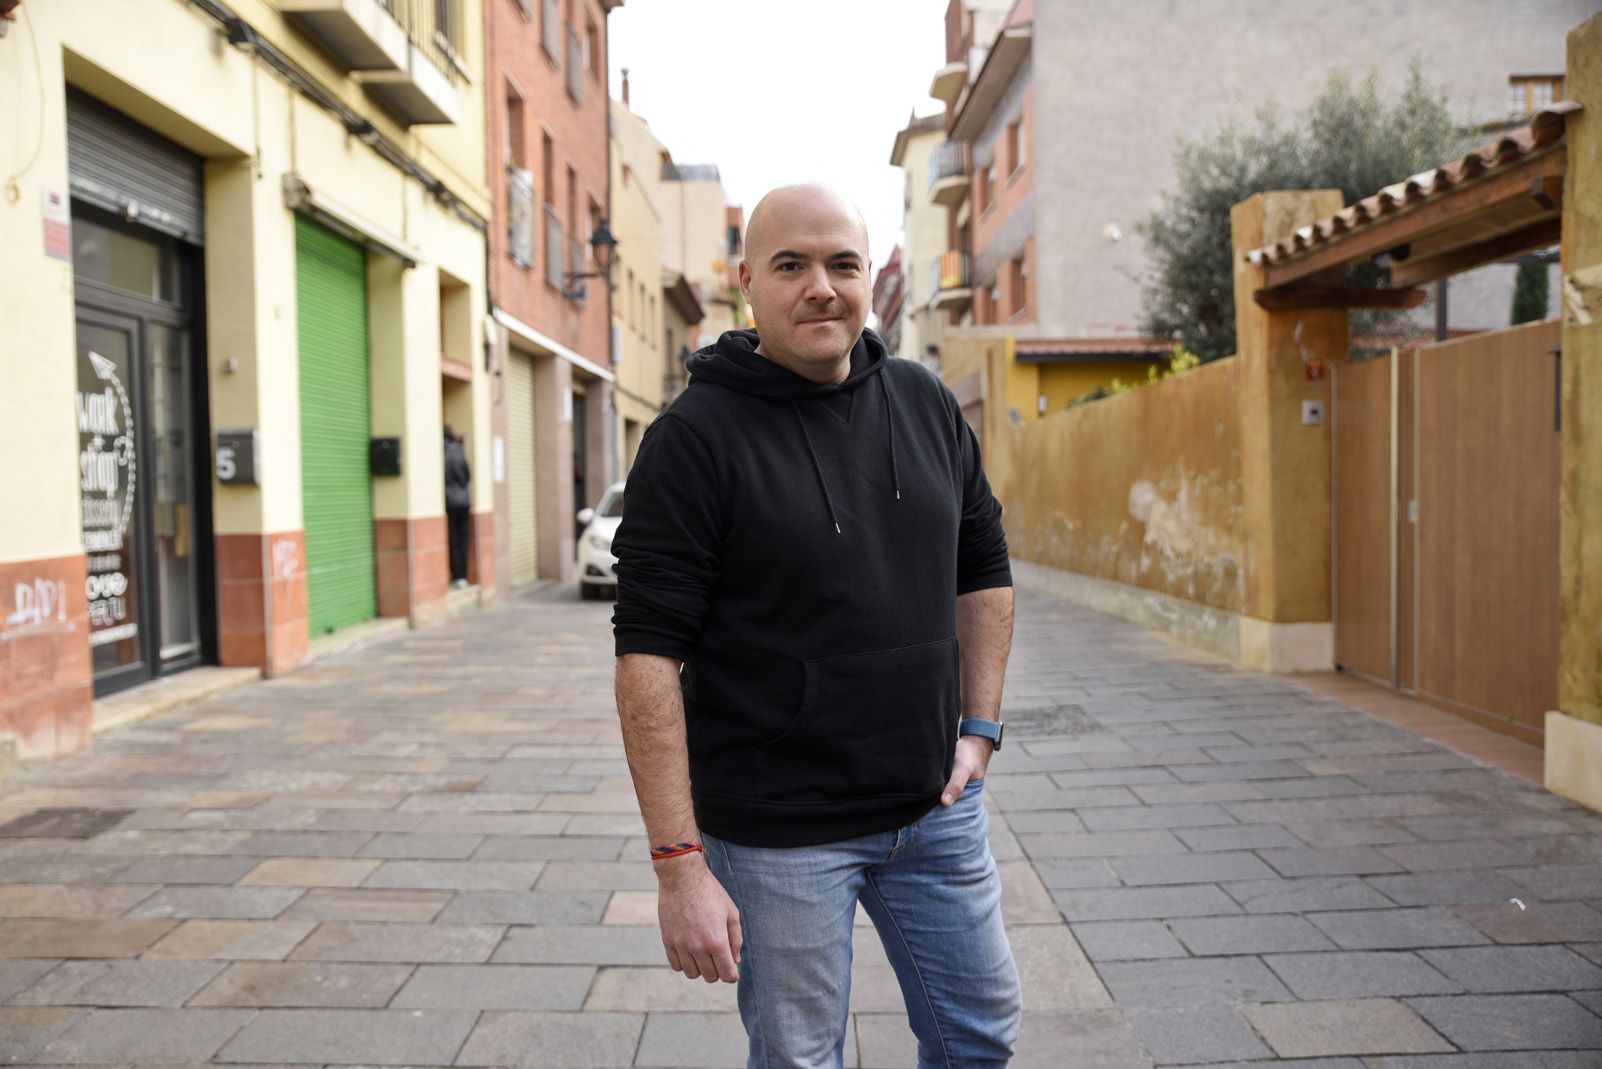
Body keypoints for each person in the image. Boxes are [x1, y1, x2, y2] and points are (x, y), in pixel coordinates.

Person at [611, 183, 1020, 1068]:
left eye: (843, 264)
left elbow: (984, 567)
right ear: (747, 282)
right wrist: (679, 864)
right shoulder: (693, 439)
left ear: (868, 277)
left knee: (981, 1033)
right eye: (791, 265)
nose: (821, 288)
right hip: (778, 833)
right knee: (801, 1058)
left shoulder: (924, 401)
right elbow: (647, 655)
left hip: (935, 810)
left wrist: (980, 726)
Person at [443, 425, 471, 590]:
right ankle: (463, 576)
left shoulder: (442, 454)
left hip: (450, 502)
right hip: (464, 501)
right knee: (463, 539)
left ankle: (456, 576)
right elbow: (468, 476)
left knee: (453, 540)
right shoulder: (459, 452)